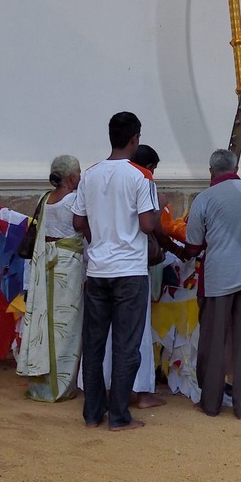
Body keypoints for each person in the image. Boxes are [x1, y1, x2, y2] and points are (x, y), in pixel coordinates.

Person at [73, 111, 159, 432]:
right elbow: (148, 224)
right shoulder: (141, 177)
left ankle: (92, 413)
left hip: (97, 270)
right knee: (126, 346)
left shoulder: (90, 175)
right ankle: (119, 416)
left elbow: (78, 222)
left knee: (94, 345)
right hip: (130, 273)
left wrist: (100, 239)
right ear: (135, 139)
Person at [183, 148, 241, 419]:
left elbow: (193, 244)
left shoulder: (205, 199)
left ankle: (210, 403)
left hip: (219, 276)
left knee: (214, 341)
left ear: (212, 171)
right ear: (236, 168)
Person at [17, 154, 84, 402]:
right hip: (69, 267)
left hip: (46, 264)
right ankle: (61, 386)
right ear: (71, 176)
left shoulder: (44, 199)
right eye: (79, 172)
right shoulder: (75, 200)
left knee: (44, 323)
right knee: (66, 326)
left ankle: (41, 384)